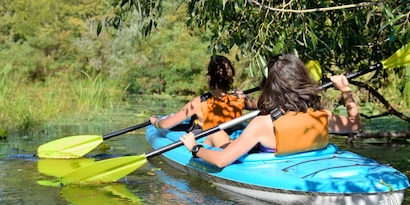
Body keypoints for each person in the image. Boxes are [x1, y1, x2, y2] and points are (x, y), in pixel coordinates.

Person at [179, 53, 361, 168]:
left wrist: (195, 148)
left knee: (215, 136)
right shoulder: (322, 116)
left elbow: (221, 161)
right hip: (308, 164)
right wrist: (346, 90)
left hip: (271, 169)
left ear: (271, 87)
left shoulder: (262, 124)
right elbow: (354, 124)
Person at [149, 55, 257, 147]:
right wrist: (245, 97)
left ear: (209, 76)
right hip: (232, 141)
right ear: (230, 76)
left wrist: (155, 121)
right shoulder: (240, 99)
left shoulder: (198, 103)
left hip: (214, 144)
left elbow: (165, 125)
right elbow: (260, 104)